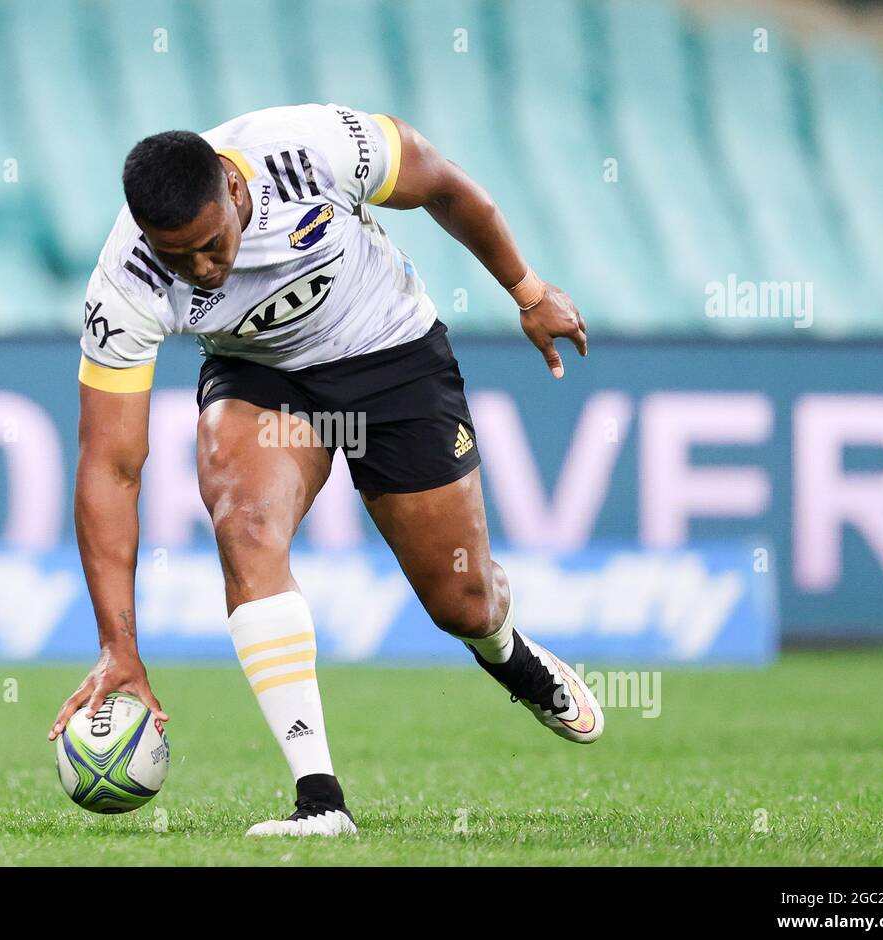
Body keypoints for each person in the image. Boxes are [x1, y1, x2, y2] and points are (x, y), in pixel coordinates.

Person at [48, 104, 602, 837]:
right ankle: (320, 799)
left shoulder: (315, 150)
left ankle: (508, 654)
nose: (201, 270)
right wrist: (118, 646)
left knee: (462, 601)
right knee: (243, 522)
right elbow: (111, 467)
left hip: (392, 358)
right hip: (265, 379)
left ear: (235, 194)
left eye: (211, 245)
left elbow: (443, 184)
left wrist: (528, 293)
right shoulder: (127, 283)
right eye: (179, 259)